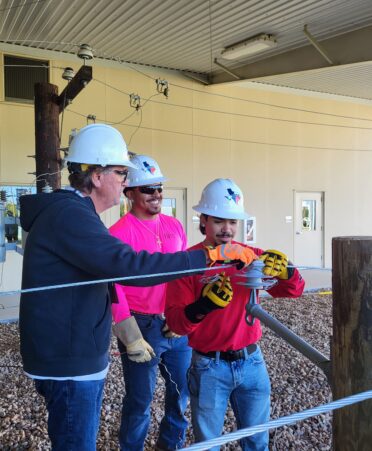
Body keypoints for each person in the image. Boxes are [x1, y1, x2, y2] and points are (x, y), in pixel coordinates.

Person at [19, 125, 257, 451]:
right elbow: (128, 267)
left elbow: (103, 274)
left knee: (176, 397)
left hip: (74, 355)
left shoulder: (74, 214)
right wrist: (209, 255)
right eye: (121, 172)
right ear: (98, 175)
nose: (125, 181)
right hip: (70, 363)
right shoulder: (71, 216)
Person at [165, 178, 305, 451]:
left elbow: (295, 290)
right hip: (209, 367)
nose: (227, 229)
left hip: (252, 361)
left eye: (232, 221)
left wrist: (286, 270)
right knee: (208, 444)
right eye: (219, 221)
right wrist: (203, 306)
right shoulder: (188, 261)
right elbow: (175, 323)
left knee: (257, 442)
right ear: (203, 220)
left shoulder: (252, 256)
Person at [109, 154, 190, 451]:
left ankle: (171, 446)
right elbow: (111, 285)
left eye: (158, 187)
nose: (156, 194)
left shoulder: (175, 226)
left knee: (181, 395)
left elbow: (184, 275)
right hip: (141, 324)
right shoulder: (117, 233)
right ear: (130, 193)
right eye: (148, 189)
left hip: (175, 324)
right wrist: (128, 333)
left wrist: (185, 316)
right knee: (140, 401)